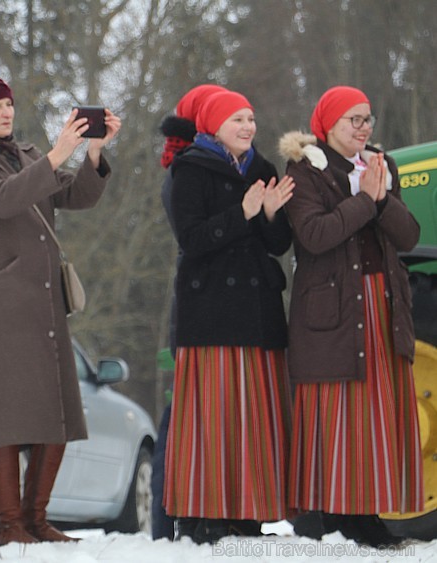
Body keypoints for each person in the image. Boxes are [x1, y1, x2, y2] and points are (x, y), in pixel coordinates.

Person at [0, 71, 121, 546]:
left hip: (45, 299)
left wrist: (94, 151)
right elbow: (0, 200)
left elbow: (77, 195)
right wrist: (59, 153)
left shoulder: (28, 154)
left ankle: (37, 518)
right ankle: (10, 524)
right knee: (6, 411)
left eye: (9, 104)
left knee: (58, 405)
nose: (7, 112)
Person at [279, 86, 423, 547]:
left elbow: (408, 235)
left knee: (377, 413)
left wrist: (382, 201)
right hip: (334, 307)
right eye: (352, 120)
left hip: (381, 302)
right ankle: (329, 511)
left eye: (367, 118)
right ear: (328, 124)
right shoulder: (305, 171)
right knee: (336, 412)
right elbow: (315, 235)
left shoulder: (381, 165)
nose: (362, 128)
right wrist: (364, 199)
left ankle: (366, 512)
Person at [163, 90, 295, 544]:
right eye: (237, 119)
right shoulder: (190, 170)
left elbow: (277, 245)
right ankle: (211, 516)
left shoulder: (262, 170)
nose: (248, 127)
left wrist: (273, 216)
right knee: (217, 419)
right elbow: (192, 238)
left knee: (257, 417)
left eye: (251, 118)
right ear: (213, 126)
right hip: (211, 311)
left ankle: (251, 516)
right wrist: (241, 214)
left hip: (258, 310)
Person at [154, 84, 226, 541]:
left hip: (209, 304)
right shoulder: (186, 171)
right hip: (197, 307)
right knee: (184, 416)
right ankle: (173, 518)